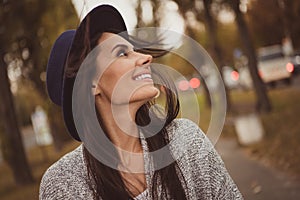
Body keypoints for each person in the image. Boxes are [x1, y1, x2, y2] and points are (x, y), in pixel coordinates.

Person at [40, 4, 243, 200]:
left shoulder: (185, 141)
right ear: (92, 84)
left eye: (134, 49)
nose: (146, 58)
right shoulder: (64, 183)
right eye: (121, 53)